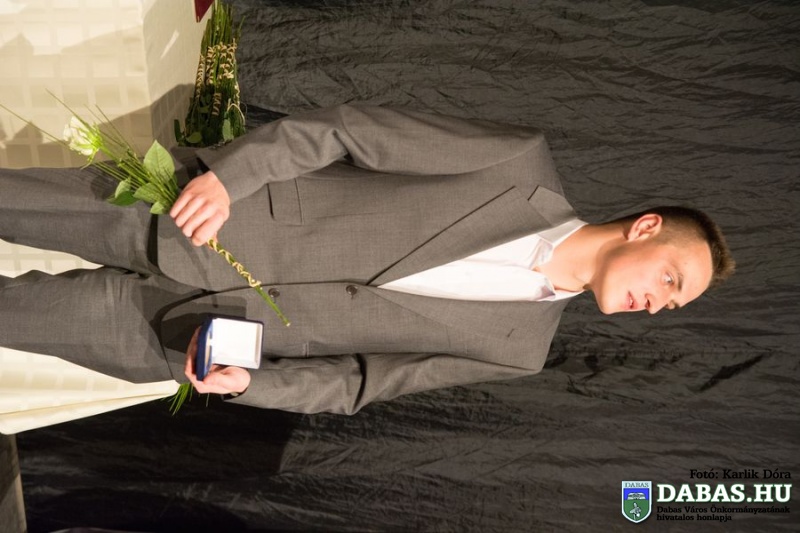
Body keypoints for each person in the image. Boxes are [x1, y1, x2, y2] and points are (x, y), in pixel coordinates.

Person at [0, 104, 734, 414]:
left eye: (672, 304)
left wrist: (253, 385)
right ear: (645, 228)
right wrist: (231, 178)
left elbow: (358, 383)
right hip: (190, 211)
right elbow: (348, 132)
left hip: (186, 334)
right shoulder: (517, 163)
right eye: (670, 278)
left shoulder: (520, 353)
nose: (657, 303)